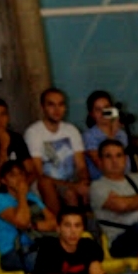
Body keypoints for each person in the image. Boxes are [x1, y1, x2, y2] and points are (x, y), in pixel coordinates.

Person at [89, 139, 138, 258]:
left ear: (125, 159)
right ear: (100, 161)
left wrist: (127, 202)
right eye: (108, 156)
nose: (114, 161)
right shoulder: (97, 186)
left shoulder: (137, 179)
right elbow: (121, 206)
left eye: (119, 155)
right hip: (122, 240)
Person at [24, 87, 90, 215]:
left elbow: (81, 166)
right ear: (42, 107)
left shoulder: (71, 130)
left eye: (61, 104)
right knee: (69, 194)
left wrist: (84, 182)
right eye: (51, 105)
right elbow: (38, 173)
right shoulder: (33, 132)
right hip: (47, 183)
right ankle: (61, 225)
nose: (57, 110)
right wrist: (73, 186)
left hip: (70, 181)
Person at [0, 160, 56, 273]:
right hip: (13, 252)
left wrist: (34, 225)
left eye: (21, 173)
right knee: (48, 263)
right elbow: (22, 222)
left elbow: (54, 222)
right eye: (12, 175)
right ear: (3, 180)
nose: (19, 178)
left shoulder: (31, 197)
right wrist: (21, 194)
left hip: (39, 244)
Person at [0, 97, 35, 214]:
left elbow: (31, 170)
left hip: (19, 185)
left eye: (3, 114)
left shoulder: (16, 138)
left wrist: (23, 186)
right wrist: (3, 148)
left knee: (40, 185)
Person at [33, 206, 105, 274]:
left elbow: (97, 273)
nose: (73, 231)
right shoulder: (49, 248)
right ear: (58, 228)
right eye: (67, 225)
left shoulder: (89, 246)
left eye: (77, 226)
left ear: (83, 229)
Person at [82, 90, 130, 180]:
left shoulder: (121, 134)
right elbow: (104, 167)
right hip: (104, 181)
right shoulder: (89, 136)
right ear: (91, 114)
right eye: (98, 110)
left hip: (125, 178)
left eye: (106, 108)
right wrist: (112, 133)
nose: (103, 113)